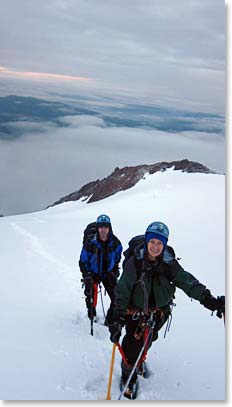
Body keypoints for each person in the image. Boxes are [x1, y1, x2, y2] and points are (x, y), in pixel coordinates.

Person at [108, 221, 225, 399]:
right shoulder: (135, 264)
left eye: (160, 243)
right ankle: (127, 375)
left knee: (148, 339)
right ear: (147, 241)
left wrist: (208, 299)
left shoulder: (169, 263)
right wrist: (116, 317)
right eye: (152, 242)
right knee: (132, 345)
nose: (155, 247)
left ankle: (138, 362)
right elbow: (122, 290)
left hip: (159, 312)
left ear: (165, 244)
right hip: (135, 312)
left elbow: (187, 282)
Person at [79, 214, 123, 325]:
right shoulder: (90, 242)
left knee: (117, 296)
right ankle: (91, 313)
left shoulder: (116, 243)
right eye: (101, 227)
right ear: (98, 228)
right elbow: (83, 260)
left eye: (106, 227)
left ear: (109, 228)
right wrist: (87, 274)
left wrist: (114, 269)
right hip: (93, 273)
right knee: (90, 294)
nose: (103, 230)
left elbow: (118, 257)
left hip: (107, 273)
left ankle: (110, 319)